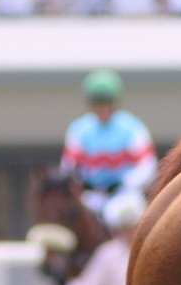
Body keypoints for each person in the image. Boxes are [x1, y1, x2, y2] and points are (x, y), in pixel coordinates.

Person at [61, 70, 158, 220]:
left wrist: (123, 183)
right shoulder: (79, 130)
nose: (103, 109)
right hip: (91, 196)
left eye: (108, 103)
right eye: (98, 103)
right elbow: (69, 167)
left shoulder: (133, 128)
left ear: (116, 103)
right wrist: (83, 183)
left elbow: (147, 167)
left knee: (126, 214)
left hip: (124, 195)